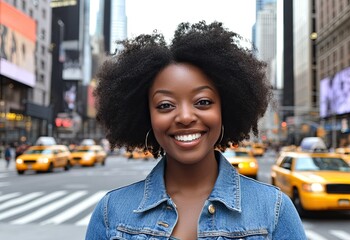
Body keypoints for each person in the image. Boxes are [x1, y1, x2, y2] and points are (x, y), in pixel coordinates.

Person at [86, 21, 307, 239]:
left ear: (225, 108)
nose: (185, 117)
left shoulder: (274, 211)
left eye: (202, 102)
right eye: (165, 105)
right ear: (146, 117)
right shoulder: (111, 215)